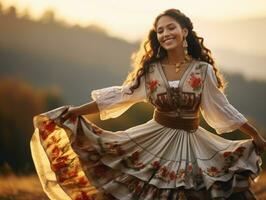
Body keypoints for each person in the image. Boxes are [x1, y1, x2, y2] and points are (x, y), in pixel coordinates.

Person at [30, 8, 266, 200]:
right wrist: (75, 111)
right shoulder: (151, 70)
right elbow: (122, 96)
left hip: (193, 142)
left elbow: (222, 108)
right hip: (154, 139)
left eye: (171, 27)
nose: (165, 34)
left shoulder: (202, 71)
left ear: (184, 31)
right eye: (160, 30)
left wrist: (255, 135)